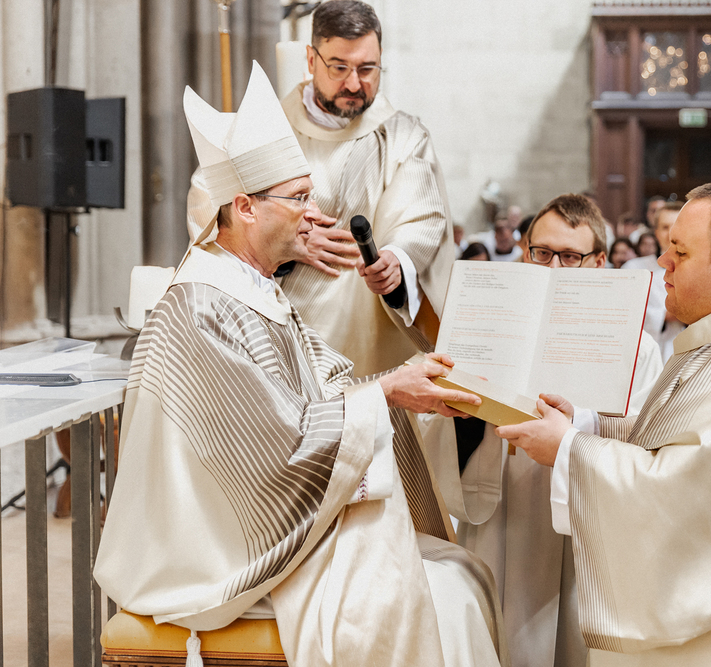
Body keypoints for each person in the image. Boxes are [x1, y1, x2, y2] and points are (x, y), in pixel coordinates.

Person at [96, 63, 506, 667]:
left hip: (275, 522)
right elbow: (272, 451)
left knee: (461, 574)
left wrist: (404, 389)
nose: (316, 214)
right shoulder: (201, 305)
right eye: (299, 198)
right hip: (221, 553)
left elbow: (318, 394)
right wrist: (387, 394)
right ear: (245, 207)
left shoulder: (254, 290)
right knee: (441, 600)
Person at [495, 181, 711, 666]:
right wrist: (585, 425)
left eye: (680, 252)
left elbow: (684, 495)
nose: (662, 262)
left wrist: (568, 449)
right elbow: (677, 440)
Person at [429, 194, 663, 667]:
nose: (554, 268)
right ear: (524, 252)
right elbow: (439, 434)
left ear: (599, 262)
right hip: (501, 519)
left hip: (584, 531)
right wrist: (463, 420)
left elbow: (644, 446)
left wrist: (574, 435)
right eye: (542, 253)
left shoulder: (636, 350)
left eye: (570, 257)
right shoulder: (488, 333)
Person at [190, 1, 454, 378]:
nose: (354, 84)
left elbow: (421, 217)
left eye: (367, 69)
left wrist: (397, 260)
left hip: (371, 340)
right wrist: (284, 237)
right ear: (311, 60)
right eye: (339, 68)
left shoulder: (403, 136)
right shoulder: (266, 126)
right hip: (278, 339)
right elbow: (210, 197)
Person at [623, 203, 685, 358]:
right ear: (656, 233)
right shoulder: (634, 268)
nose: (670, 232)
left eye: (676, 226)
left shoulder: (698, 270)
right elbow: (625, 314)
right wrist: (665, 315)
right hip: (646, 353)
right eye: (665, 227)